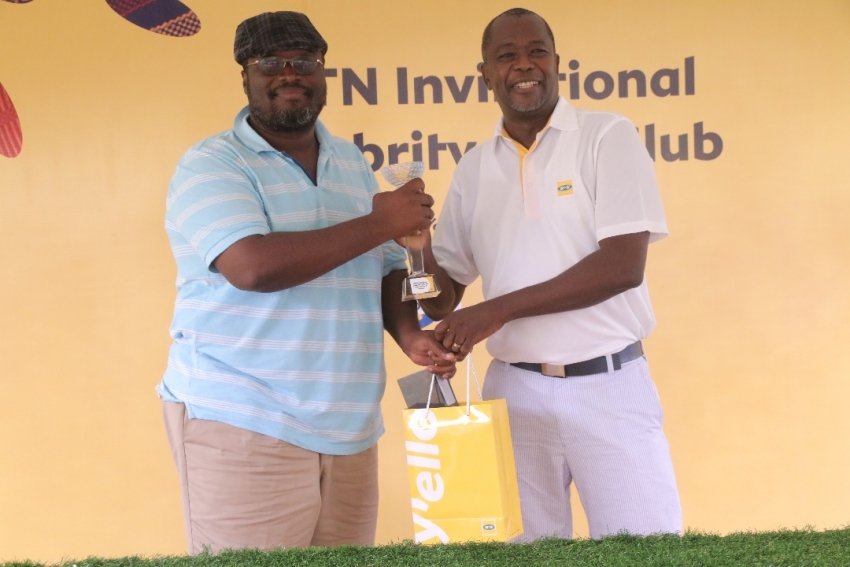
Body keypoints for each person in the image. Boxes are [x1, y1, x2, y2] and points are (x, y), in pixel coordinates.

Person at [158, 11, 456, 553]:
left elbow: (386, 266)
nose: (290, 73)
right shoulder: (211, 164)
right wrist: (379, 223)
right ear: (245, 76)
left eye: (305, 61)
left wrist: (410, 336)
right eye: (271, 63)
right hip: (244, 420)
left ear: (323, 73)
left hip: (349, 426)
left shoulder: (349, 160)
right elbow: (252, 267)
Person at [419, 7, 682, 541]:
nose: (524, 64)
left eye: (536, 51)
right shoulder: (474, 167)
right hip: (513, 391)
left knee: (645, 550)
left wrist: (494, 312)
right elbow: (441, 300)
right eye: (507, 55)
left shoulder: (607, 135)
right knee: (524, 552)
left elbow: (621, 267)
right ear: (485, 74)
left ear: (558, 62)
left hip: (609, 383)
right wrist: (417, 245)